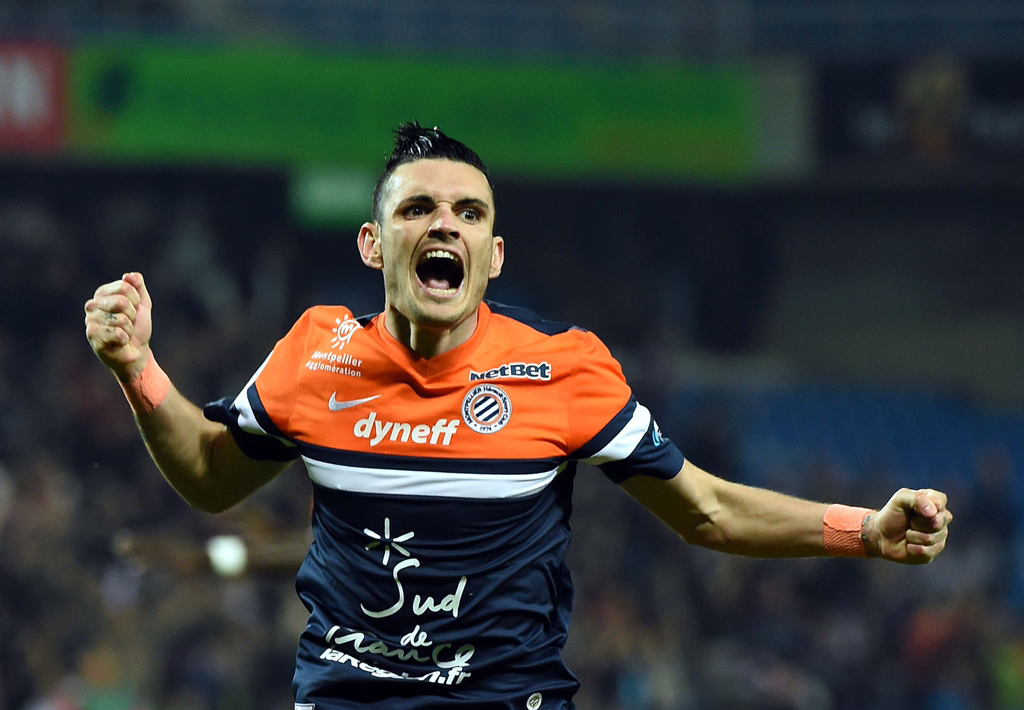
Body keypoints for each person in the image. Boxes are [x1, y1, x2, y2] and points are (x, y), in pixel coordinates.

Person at [84, 122, 953, 710]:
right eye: (417, 209)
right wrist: (138, 369)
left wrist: (864, 531)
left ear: (493, 255)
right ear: (373, 244)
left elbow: (709, 510)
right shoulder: (316, 353)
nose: (445, 226)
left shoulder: (565, 368)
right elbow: (209, 478)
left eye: (468, 213)